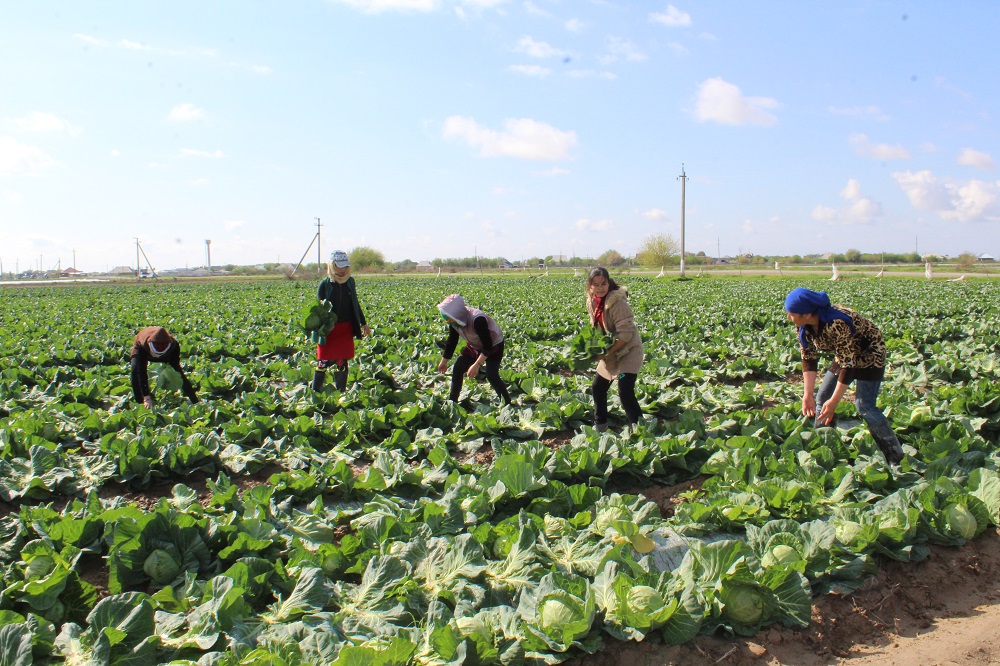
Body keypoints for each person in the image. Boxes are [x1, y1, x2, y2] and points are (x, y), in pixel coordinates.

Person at [784, 287, 904, 465]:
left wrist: (834, 403)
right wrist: (807, 394)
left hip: (870, 352)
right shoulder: (803, 326)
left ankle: (895, 455)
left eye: (792, 313)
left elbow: (849, 366)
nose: (788, 317)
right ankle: (824, 450)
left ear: (807, 314)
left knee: (864, 406)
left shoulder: (837, 323)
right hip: (846, 355)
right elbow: (808, 358)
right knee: (821, 397)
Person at [585, 267, 644, 431]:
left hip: (629, 350)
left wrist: (605, 352)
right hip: (611, 349)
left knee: (625, 390)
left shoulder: (617, 302)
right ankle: (600, 426)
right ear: (590, 286)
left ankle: (640, 430)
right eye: (595, 284)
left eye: (603, 283)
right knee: (598, 387)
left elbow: (625, 335)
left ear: (609, 283)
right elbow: (597, 328)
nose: (600, 287)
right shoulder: (592, 301)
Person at [436, 294, 511, 405]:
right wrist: (444, 360)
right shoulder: (454, 321)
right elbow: (452, 340)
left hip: (494, 344)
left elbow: (488, 345)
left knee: (491, 374)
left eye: (450, 321)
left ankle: (507, 403)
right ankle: (453, 402)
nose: (449, 323)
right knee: (457, 368)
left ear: (456, 315)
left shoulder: (477, 319)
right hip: (474, 345)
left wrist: (477, 365)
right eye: (448, 322)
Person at [314, 250, 371, 391]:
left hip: (345, 328)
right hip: (329, 330)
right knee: (323, 361)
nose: (343, 270)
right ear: (332, 266)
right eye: (339, 266)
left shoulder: (350, 282)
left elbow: (355, 304)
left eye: (345, 266)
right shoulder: (325, 284)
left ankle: (341, 392)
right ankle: (315, 391)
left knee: (342, 361)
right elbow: (318, 309)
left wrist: (363, 323)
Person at [130, 326, 198, 407]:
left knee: (177, 372)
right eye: (157, 345)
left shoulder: (174, 346)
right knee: (135, 370)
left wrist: (194, 400)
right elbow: (141, 371)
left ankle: (194, 400)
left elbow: (178, 371)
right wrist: (146, 398)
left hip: (166, 354)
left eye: (162, 346)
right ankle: (140, 403)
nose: (160, 347)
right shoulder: (143, 345)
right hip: (143, 348)